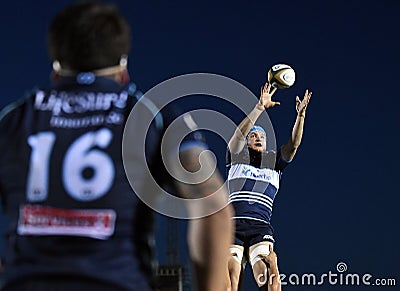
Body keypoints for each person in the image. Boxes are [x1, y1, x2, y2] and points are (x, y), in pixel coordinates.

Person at [0, 1, 233, 290]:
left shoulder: (13, 119)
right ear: (123, 69)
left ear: (56, 69)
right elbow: (213, 206)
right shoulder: (154, 116)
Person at [226, 82, 312, 290]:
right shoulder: (237, 158)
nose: (258, 138)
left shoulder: (275, 164)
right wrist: (259, 107)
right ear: (247, 143)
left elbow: (293, 145)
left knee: (265, 275)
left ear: (266, 144)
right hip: (232, 226)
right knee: (231, 280)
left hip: (259, 228)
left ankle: (272, 265)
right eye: (254, 136)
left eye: (262, 137)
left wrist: (300, 117)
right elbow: (238, 135)